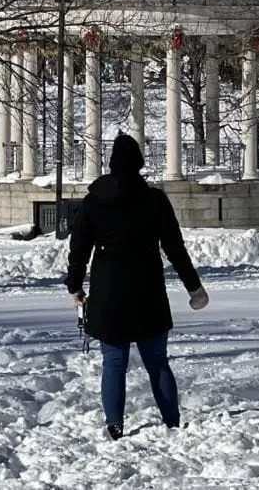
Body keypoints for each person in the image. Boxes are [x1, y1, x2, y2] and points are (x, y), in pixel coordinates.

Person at [65, 134, 207, 441]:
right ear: (139, 164)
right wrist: (194, 287)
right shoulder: (155, 200)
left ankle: (115, 425)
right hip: (148, 290)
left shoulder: (93, 201)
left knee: (114, 364)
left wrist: (74, 286)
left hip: (108, 291)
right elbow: (175, 248)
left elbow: (79, 249)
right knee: (157, 362)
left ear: (112, 164)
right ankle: (172, 421)